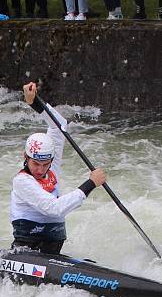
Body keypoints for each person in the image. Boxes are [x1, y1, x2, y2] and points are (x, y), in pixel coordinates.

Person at [11, 82, 106, 254]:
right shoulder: (22, 181)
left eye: (45, 165)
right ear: (25, 157)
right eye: (35, 164)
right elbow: (54, 209)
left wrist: (34, 103)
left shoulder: (50, 168)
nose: (40, 170)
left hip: (52, 251)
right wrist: (90, 183)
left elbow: (59, 125)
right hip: (27, 251)